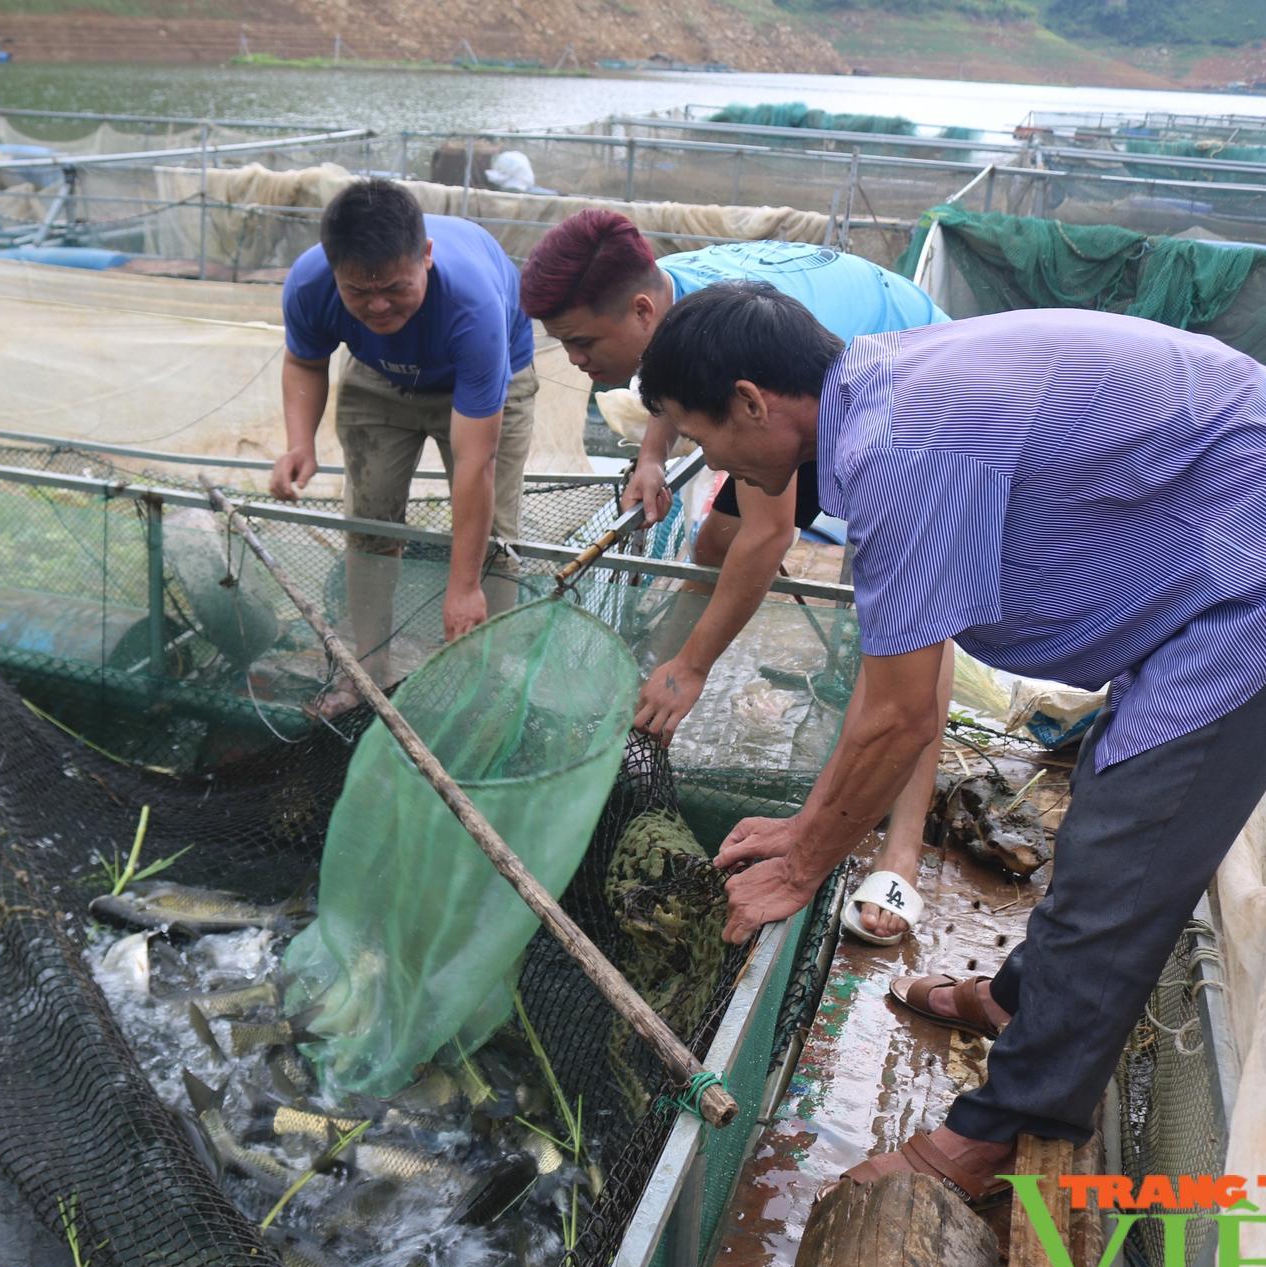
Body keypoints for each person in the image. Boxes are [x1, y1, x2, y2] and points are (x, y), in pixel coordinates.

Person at [636, 282, 1266, 1206]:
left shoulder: (901, 449)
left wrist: (803, 864)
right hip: (1242, 521)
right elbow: (889, 694)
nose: (707, 459)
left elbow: (904, 717)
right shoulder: (879, 391)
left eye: (698, 434)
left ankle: (1008, 1123)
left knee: (1131, 838)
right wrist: (808, 826)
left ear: (752, 401)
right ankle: (1019, 1001)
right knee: (1111, 800)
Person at [518, 210, 950, 946]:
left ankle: (901, 844)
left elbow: (769, 532)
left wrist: (695, 665)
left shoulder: (779, 382)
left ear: (644, 310)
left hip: (893, 367)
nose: (576, 362)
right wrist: (653, 454)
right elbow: (675, 386)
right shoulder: (676, 304)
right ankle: (663, 685)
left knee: (906, 615)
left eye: (583, 343)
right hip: (804, 387)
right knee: (713, 535)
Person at [269, 180, 537, 715]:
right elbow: (304, 360)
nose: (378, 305)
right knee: (369, 524)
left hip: (481, 379)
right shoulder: (310, 283)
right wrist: (299, 443)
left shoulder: (472, 302)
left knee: (492, 545)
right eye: (358, 292)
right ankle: (365, 675)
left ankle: (484, 689)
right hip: (377, 377)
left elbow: (475, 461)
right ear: (333, 269)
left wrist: (461, 587)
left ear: (427, 258)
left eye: (395, 287)